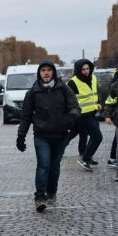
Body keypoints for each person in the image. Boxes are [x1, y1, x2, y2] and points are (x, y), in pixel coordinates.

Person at [15, 61, 80, 212]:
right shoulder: (33, 92)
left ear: (53, 72)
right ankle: (39, 197)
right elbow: (25, 116)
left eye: (49, 70)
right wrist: (21, 136)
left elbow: (75, 107)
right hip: (41, 135)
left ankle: (51, 191)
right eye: (43, 70)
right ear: (39, 73)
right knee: (44, 164)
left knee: (54, 165)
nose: (46, 73)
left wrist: (70, 118)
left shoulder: (63, 88)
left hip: (61, 134)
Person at [67, 59, 103, 171]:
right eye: (83, 69)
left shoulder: (93, 77)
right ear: (78, 70)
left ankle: (87, 157)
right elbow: (69, 100)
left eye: (87, 68)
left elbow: (95, 93)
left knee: (93, 136)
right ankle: (86, 159)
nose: (86, 71)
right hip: (82, 115)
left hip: (92, 112)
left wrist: (98, 103)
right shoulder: (72, 82)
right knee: (98, 137)